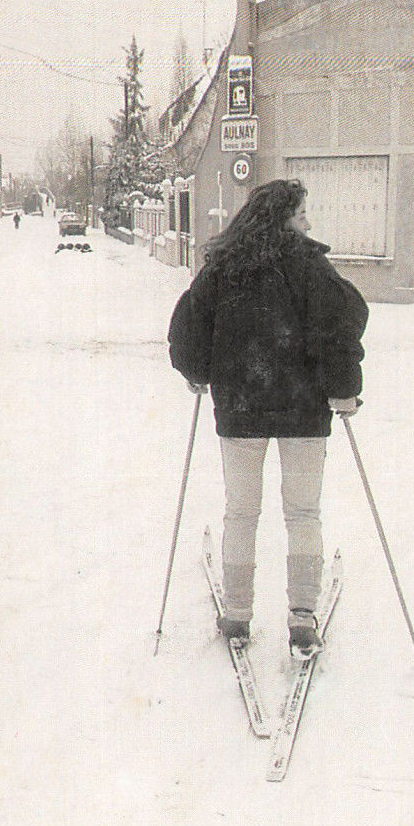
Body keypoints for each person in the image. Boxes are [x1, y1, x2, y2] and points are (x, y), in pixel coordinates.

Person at [168, 178, 368, 657]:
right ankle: (302, 616)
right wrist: (343, 390)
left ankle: (237, 614)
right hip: (303, 410)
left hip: (241, 408)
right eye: (302, 215)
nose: (309, 223)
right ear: (282, 217)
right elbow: (340, 326)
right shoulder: (311, 268)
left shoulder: (224, 267)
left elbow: (188, 325)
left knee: (242, 513)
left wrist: (196, 372)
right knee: (303, 513)